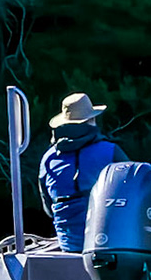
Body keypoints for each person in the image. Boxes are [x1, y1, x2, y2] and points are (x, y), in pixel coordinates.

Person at [38, 91, 127, 252]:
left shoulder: (47, 160)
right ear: (91, 120)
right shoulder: (111, 151)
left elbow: (48, 210)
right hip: (108, 247)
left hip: (68, 246)